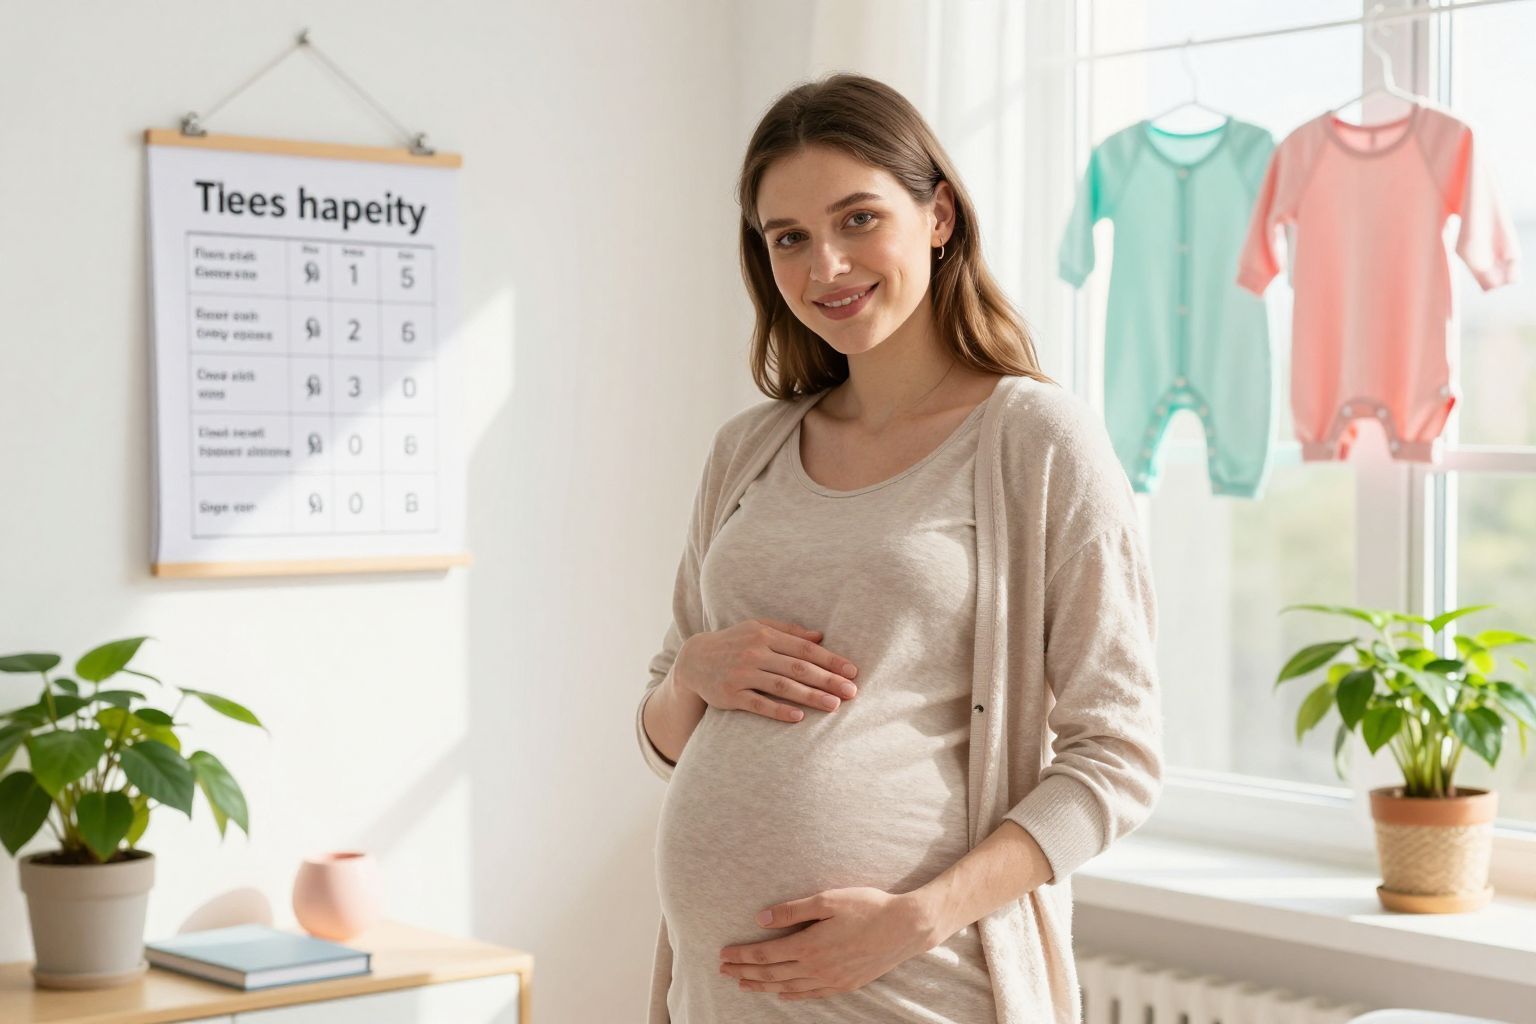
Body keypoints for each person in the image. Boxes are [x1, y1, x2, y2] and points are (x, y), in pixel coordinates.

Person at [636, 72, 1163, 1023]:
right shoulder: (745, 450)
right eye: (787, 237)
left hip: (918, 986)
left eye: (858, 219)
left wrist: (918, 918)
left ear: (939, 216)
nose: (825, 264)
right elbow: (668, 738)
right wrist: (691, 678)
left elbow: (1116, 757)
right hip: (720, 994)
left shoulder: (1035, 440)